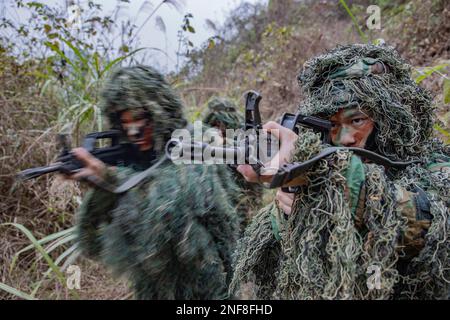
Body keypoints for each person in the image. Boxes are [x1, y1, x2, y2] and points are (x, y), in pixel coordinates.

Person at [230, 43, 449, 299]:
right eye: (332, 125)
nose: (344, 138)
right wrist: (292, 210)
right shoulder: (319, 177)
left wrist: (334, 183)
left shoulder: (434, 166)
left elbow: (432, 220)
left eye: (357, 120)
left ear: (389, 119)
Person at [69, 65, 240, 299]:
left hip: (207, 284)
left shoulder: (193, 143)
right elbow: (93, 244)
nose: (134, 131)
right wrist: (103, 189)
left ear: (159, 110)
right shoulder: (133, 160)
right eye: (125, 122)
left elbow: (173, 206)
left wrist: (113, 179)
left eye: (140, 118)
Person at [202, 96, 264, 229]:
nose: (219, 129)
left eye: (221, 125)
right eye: (215, 125)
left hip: (246, 194)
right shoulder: (207, 141)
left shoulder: (244, 131)